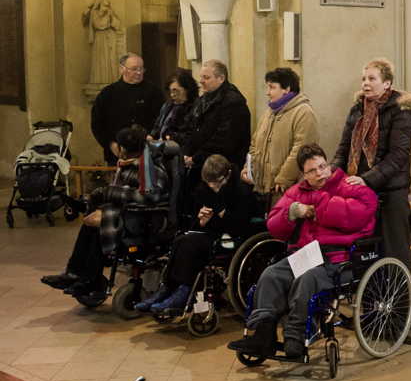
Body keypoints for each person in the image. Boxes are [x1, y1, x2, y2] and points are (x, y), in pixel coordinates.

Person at [229, 144, 378, 360]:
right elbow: (274, 225)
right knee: (271, 275)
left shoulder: (348, 185)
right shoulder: (296, 192)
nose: (319, 173)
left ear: (328, 165)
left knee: (306, 280)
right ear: (303, 174)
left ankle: (295, 337)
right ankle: (264, 335)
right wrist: (290, 213)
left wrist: (318, 204)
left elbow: (364, 208)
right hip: (306, 255)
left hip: (337, 258)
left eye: (322, 167)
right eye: (312, 171)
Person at [41, 125, 168, 301]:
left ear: (125, 148)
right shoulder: (127, 164)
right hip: (123, 213)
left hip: (141, 219)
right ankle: (74, 273)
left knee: (99, 223)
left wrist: (110, 194)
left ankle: (89, 279)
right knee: (91, 222)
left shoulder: (150, 167)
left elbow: (150, 197)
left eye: (119, 145)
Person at [332, 58, 411, 264]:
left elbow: (398, 155)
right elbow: (343, 148)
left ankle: (399, 295)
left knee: (394, 251)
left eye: (372, 78)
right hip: (360, 191)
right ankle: (370, 295)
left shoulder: (401, 110)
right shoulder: (357, 109)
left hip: (391, 191)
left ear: (387, 83)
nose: (365, 83)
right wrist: (332, 174)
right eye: (363, 78)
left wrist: (368, 179)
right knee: (366, 251)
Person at [137, 153, 256, 311]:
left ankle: (184, 290)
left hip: (233, 237)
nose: (213, 187)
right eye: (209, 183)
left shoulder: (241, 190)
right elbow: (196, 221)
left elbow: (241, 224)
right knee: (181, 239)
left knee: (191, 244)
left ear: (227, 174)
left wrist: (222, 214)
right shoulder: (204, 188)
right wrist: (201, 220)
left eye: (217, 183)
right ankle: (167, 287)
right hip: (213, 232)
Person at [243, 67, 318, 201]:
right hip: (263, 188)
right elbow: (255, 145)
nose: (267, 92)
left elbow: (301, 150)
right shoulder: (269, 113)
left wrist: (284, 178)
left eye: (272, 87)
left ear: (287, 89)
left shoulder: (303, 113)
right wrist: (248, 169)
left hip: (286, 189)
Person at [181, 59, 252, 174]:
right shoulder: (203, 99)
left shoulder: (233, 103)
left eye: (206, 78)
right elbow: (190, 126)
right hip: (200, 162)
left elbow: (224, 140)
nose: (201, 81)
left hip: (221, 167)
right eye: (201, 77)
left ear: (221, 79)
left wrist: (196, 158)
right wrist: (187, 153)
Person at [91, 52, 163, 165]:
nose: (139, 72)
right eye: (134, 69)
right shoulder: (108, 93)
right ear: (122, 69)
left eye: (141, 69)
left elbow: (161, 120)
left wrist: (151, 138)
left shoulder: (154, 93)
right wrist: (110, 144)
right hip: (116, 153)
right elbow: (97, 124)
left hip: (147, 153)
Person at [150, 68, 198, 145]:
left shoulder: (195, 107)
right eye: (170, 91)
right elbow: (157, 126)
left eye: (176, 90)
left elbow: (189, 136)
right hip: (161, 146)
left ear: (187, 89)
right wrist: (152, 136)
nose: (172, 95)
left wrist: (170, 137)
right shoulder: (167, 105)